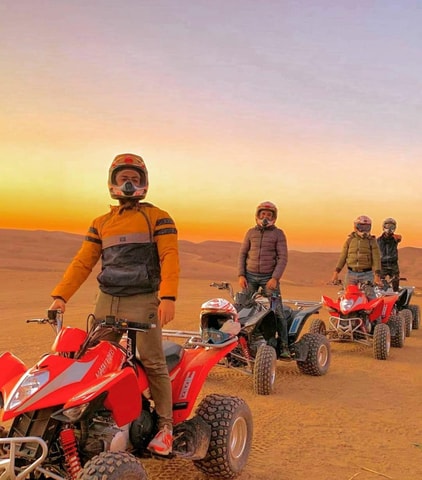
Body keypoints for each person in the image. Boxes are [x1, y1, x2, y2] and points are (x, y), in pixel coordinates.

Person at [48, 153, 179, 456]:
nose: (129, 184)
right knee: (91, 358)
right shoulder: (101, 223)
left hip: (143, 298)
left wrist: (168, 297)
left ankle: (166, 428)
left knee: (153, 361)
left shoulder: (158, 217)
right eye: (123, 178)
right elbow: (83, 262)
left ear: (144, 183)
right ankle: (86, 422)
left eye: (134, 178)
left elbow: (169, 256)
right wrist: (60, 296)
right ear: (112, 181)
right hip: (107, 299)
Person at [237, 201, 289, 357]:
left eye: (269, 215)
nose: (266, 217)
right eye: (263, 214)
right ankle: (240, 344)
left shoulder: (278, 234)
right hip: (250, 277)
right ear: (258, 215)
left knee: (277, 311)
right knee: (242, 309)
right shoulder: (250, 232)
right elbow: (242, 254)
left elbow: (283, 257)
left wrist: (275, 278)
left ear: (274, 217)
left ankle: (284, 346)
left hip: (269, 278)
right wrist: (241, 275)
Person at [331, 215, 381, 290]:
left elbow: (376, 258)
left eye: (367, 227)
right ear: (356, 227)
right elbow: (343, 257)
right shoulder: (350, 240)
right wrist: (336, 272)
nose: (364, 230)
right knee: (348, 294)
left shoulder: (372, 241)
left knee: (370, 294)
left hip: (367, 274)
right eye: (362, 227)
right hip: (351, 273)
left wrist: (377, 275)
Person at [377, 217, 402, 291]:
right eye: (388, 226)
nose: (390, 229)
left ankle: (396, 295)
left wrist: (397, 238)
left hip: (393, 264)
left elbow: (399, 238)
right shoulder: (378, 240)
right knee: (380, 284)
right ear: (384, 227)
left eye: (392, 227)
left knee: (395, 282)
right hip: (382, 264)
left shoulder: (395, 238)